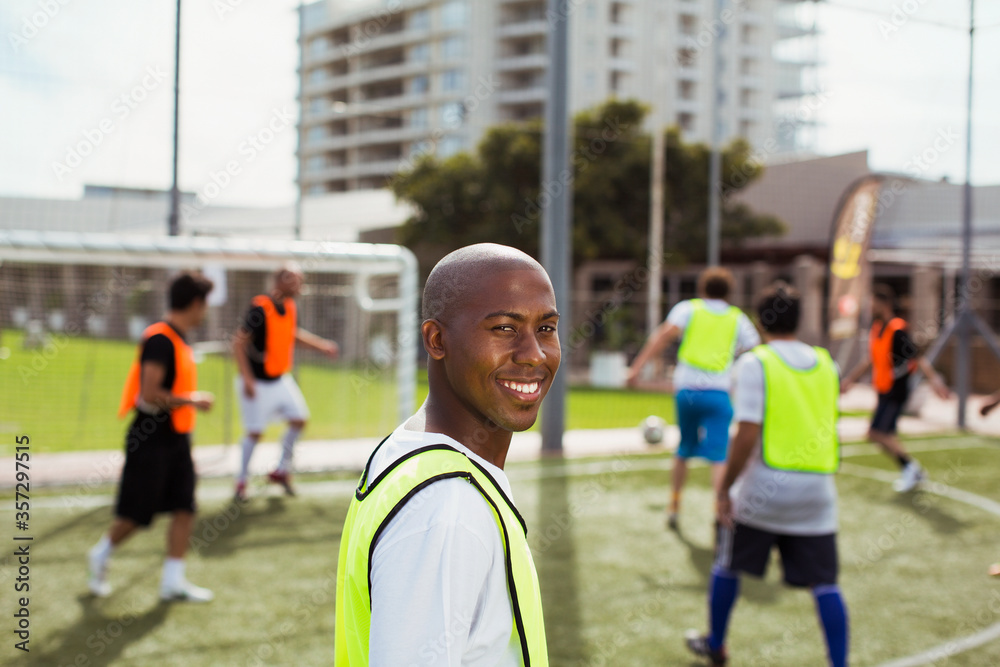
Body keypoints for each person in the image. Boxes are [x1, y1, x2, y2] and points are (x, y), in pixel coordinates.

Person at [335, 244, 557, 665]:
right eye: (504, 328)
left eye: (545, 328)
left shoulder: (406, 448)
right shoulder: (447, 508)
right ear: (437, 340)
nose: (534, 354)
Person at [685, 283, 849, 667]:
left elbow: (747, 433)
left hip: (764, 487)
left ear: (760, 322)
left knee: (728, 564)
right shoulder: (827, 364)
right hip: (818, 490)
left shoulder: (755, 363)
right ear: (800, 320)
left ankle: (717, 645)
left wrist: (724, 488)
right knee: (825, 583)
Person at [88, 272, 216, 602]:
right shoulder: (160, 339)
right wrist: (193, 400)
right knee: (136, 514)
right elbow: (149, 393)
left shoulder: (180, 339)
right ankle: (101, 553)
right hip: (150, 437)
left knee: (185, 506)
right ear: (195, 303)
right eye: (205, 304)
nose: (206, 311)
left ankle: (173, 581)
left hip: (177, 437)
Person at [626, 267, 760, 529]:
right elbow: (755, 349)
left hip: (687, 391)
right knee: (719, 455)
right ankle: (719, 511)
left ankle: (674, 505)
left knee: (684, 449)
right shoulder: (737, 318)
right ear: (729, 292)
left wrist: (637, 368)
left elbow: (663, 336)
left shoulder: (689, 309)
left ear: (702, 288)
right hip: (719, 392)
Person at [232, 264, 339, 501]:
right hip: (257, 381)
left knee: (299, 419)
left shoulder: (289, 307)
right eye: (293, 278)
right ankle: (241, 482)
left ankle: (280, 470)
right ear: (278, 281)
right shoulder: (260, 307)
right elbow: (239, 343)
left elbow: (292, 334)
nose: (299, 283)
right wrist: (247, 379)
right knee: (254, 432)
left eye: (300, 278)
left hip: (280, 379)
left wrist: (322, 346)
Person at [841, 284, 949, 492]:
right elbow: (870, 359)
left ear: (885, 304)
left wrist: (935, 380)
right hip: (883, 390)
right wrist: (850, 380)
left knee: (878, 433)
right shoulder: (877, 329)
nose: (870, 308)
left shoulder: (897, 330)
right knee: (879, 433)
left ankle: (911, 468)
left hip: (896, 390)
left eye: (874, 304)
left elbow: (916, 356)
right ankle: (911, 469)